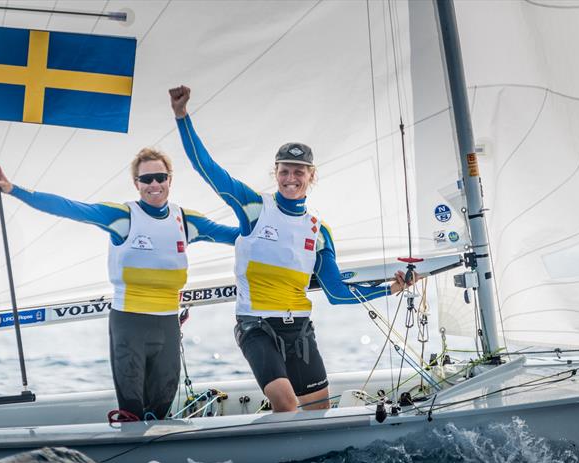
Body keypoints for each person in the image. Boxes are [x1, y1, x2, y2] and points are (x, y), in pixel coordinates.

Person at [169, 86, 418, 412]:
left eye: (298, 172)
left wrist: (391, 288)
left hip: (300, 331)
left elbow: (338, 293)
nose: (290, 178)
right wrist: (182, 116)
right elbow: (208, 169)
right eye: (284, 171)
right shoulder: (255, 207)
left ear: (311, 177)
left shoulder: (319, 231)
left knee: (318, 413)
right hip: (256, 327)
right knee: (287, 405)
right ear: (275, 174)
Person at [0, 149, 239, 421]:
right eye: (147, 179)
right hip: (130, 325)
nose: (154, 184)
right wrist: (14, 190)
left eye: (160, 177)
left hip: (167, 325)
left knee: (162, 406)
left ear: (169, 180)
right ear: (136, 184)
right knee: (132, 410)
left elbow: (236, 236)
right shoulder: (121, 217)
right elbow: (69, 207)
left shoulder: (186, 220)